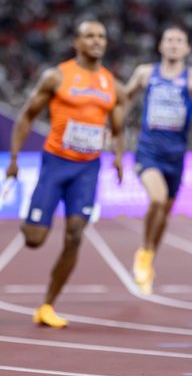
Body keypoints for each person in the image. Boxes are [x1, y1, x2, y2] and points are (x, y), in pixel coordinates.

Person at [5, 19, 126, 327]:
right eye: (90, 36)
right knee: (34, 239)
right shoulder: (56, 76)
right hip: (56, 163)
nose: (97, 41)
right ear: (77, 42)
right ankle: (34, 217)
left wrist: (118, 156)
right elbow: (26, 116)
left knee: (75, 234)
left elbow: (118, 127)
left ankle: (47, 305)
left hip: (88, 168)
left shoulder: (112, 84)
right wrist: (14, 159)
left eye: (101, 36)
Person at [124, 25, 192, 294]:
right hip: (148, 152)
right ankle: (144, 252)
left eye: (179, 41)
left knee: (164, 215)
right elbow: (124, 99)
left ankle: (149, 257)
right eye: (169, 40)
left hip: (176, 157)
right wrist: (115, 129)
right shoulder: (145, 73)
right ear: (161, 46)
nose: (174, 44)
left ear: (187, 48)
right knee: (156, 199)